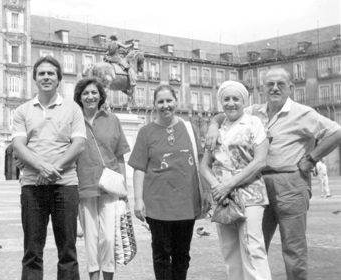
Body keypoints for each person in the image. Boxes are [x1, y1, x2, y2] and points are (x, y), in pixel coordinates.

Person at [206, 68, 341, 280]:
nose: (275, 88)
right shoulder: (253, 111)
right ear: (263, 88)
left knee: (293, 247)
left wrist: (311, 158)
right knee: (255, 245)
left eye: (280, 84)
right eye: (270, 84)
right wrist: (213, 124)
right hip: (255, 183)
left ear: (291, 87)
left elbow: (336, 132)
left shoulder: (303, 113)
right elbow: (228, 110)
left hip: (290, 183)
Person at [12, 56, 87, 280]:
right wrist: (41, 167)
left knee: (67, 249)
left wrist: (51, 169)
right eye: (42, 73)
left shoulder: (73, 109)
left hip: (65, 186)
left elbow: (79, 144)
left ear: (59, 79)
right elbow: (18, 145)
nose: (46, 77)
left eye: (51, 73)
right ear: (34, 78)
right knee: (32, 250)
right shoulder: (22, 111)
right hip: (32, 187)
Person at [128, 85, 211, 280]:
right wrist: (138, 200)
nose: (165, 106)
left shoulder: (189, 128)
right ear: (154, 105)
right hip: (157, 205)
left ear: (176, 102)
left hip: (186, 203)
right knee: (161, 255)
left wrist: (206, 191)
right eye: (160, 102)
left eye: (169, 101)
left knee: (182, 255)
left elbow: (201, 163)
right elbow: (139, 168)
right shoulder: (146, 132)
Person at [200, 81, 271, 280]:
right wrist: (218, 187)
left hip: (250, 193)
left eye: (236, 99)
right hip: (222, 196)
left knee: (252, 248)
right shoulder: (217, 130)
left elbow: (260, 161)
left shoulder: (254, 123)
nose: (231, 103)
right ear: (221, 102)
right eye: (226, 99)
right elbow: (204, 165)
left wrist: (228, 185)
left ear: (244, 101)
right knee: (229, 250)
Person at [73, 77, 130, 280]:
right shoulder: (73, 120)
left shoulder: (112, 119)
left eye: (94, 92)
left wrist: (124, 188)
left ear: (100, 96)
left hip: (110, 187)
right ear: (79, 97)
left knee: (108, 237)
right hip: (85, 186)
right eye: (85, 93)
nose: (90, 96)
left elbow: (120, 155)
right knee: (91, 239)